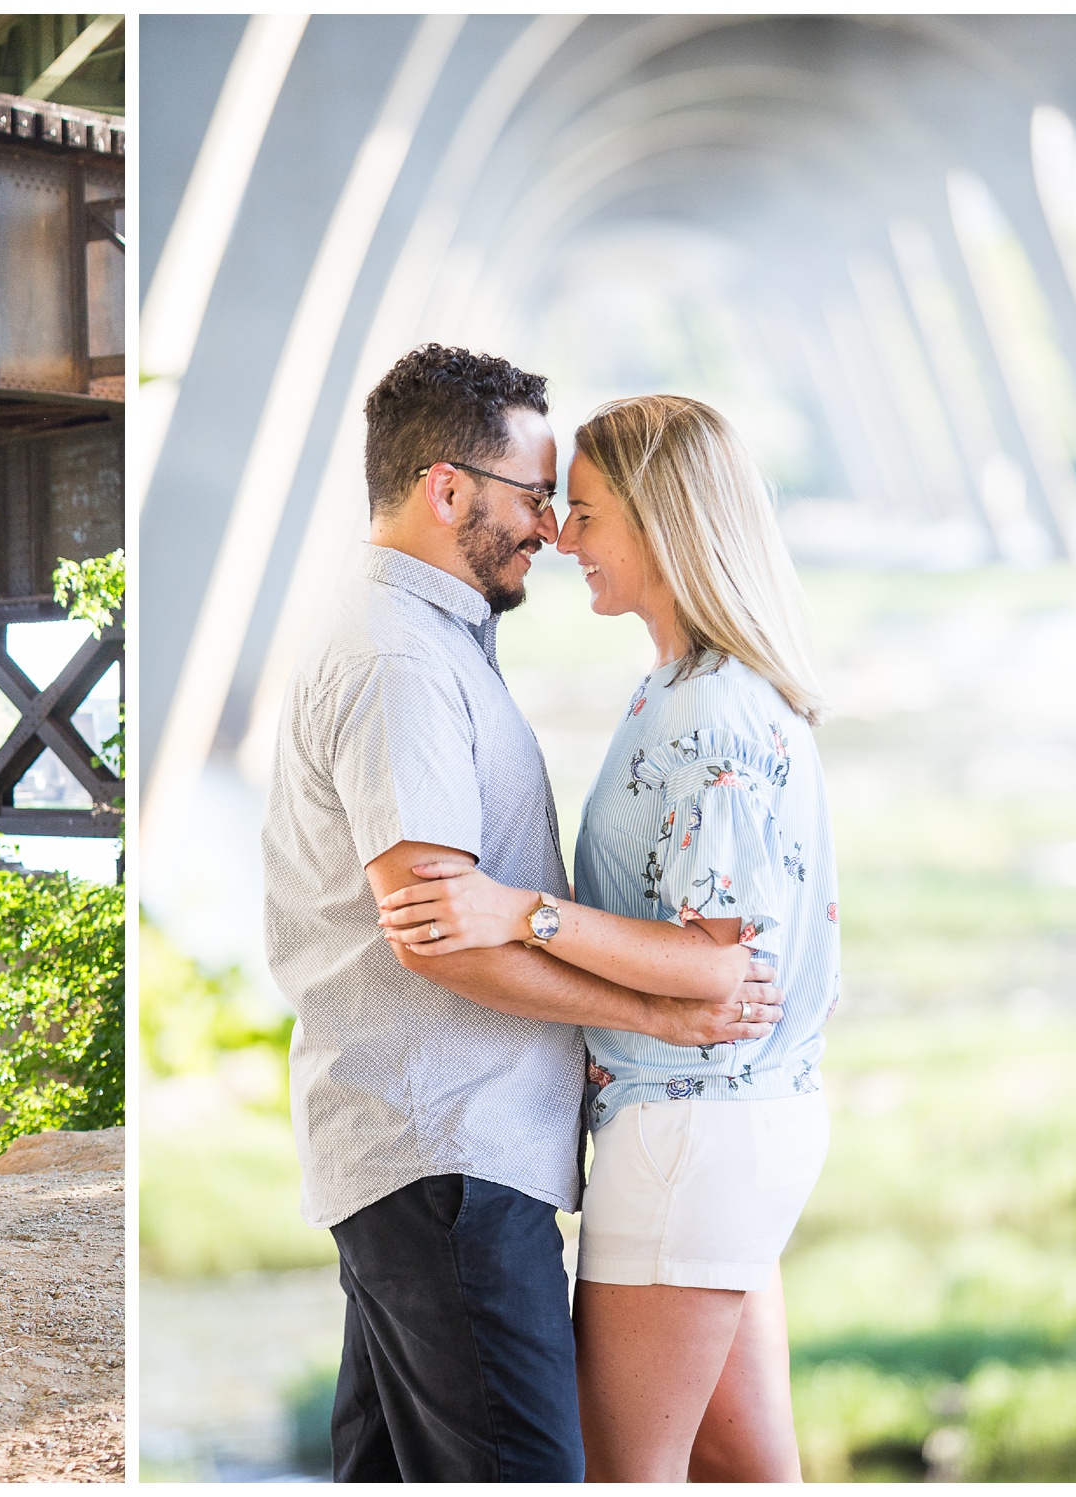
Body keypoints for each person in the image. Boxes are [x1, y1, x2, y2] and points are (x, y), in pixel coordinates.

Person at [261, 345, 785, 1482]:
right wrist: (650, 1012)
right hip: (447, 1152)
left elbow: (464, 920)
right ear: (446, 489)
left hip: (444, 1151)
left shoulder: (431, 643)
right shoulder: (397, 659)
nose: (548, 528)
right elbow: (440, 942)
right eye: (532, 497)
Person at [375, 394, 837, 1481]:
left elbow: (720, 972)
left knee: (620, 1475)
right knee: (742, 1472)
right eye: (555, 510)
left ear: (663, 519)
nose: (557, 536)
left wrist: (518, 912)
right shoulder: (694, 689)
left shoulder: (707, 711)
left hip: (688, 1132)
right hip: (728, 1128)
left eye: (582, 514)